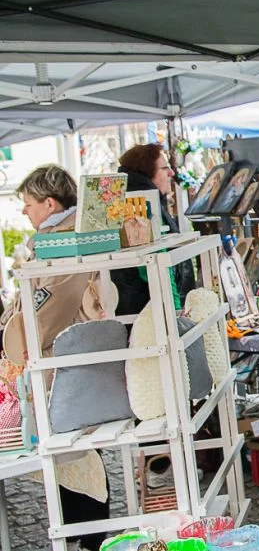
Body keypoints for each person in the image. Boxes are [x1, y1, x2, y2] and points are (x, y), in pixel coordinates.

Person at [0, 165, 112, 551]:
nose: (25, 213)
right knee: (68, 458)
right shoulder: (54, 240)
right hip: (62, 364)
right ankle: (84, 532)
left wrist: (13, 336)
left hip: (64, 365)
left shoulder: (65, 244)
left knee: (75, 458)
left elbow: (47, 314)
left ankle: (89, 537)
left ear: (50, 203)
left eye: (29, 205)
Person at [111, 144, 195, 316]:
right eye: (165, 168)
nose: (171, 173)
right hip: (151, 313)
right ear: (146, 173)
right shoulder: (138, 206)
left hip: (151, 309)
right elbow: (156, 268)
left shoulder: (148, 201)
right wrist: (175, 310)